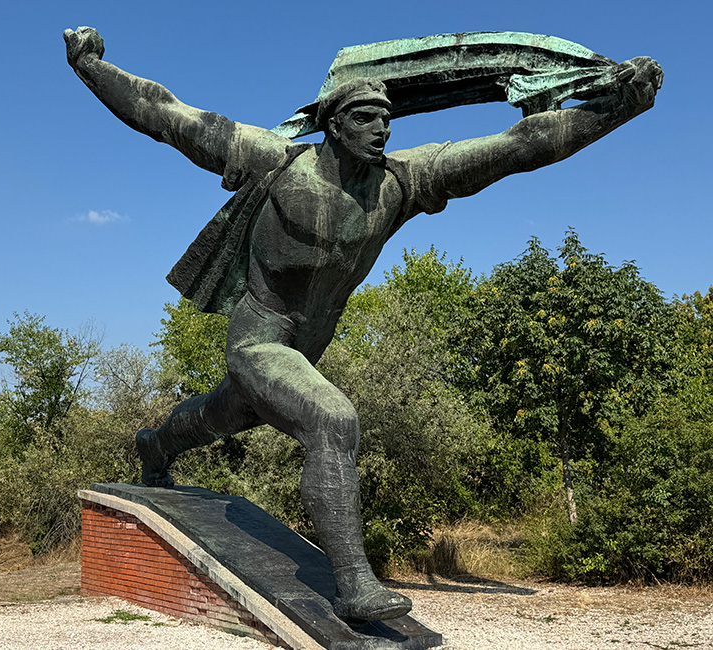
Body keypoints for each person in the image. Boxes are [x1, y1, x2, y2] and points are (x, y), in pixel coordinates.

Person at [64, 25, 661, 621]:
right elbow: (168, 116)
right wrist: (91, 66)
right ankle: (354, 585)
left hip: (307, 347)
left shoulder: (399, 184)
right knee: (332, 420)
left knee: (224, 415)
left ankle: (157, 443)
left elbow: (519, 145)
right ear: (334, 123)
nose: (383, 129)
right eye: (368, 118)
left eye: (388, 119)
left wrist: (617, 110)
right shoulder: (275, 164)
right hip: (261, 336)